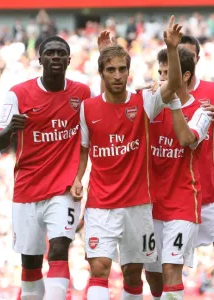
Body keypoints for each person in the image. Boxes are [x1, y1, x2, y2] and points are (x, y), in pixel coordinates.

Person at [70, 16, 183, 300]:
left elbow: (173, 86)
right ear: (102, 73)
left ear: (129, 72)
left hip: (138, 208)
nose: (117, 75)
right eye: (111, 70)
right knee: (99, 267)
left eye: (122, 69)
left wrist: (171, 49)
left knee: (133, 272)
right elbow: (84, 148)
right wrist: (77, 178)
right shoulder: (88, 109)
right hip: (100, 207)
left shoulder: (144, 102)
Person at [0, 36, 93, 300]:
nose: (56, 57)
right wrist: (11, 129)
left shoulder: (82, 94)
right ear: (40, 59)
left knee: (60, 248)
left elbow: (91, 136)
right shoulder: (18, 93)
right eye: (50, 53)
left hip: (64, 189)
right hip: (27, 189)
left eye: (62, 53)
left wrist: (82, 177)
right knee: (31, 262)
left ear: (69, 60)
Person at [144, 47, 212, 300]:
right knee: (153, 277)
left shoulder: (203, 111)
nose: (162, 78)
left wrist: (172, 103)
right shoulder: (150, 103)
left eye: (168, 73)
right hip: (149, 205)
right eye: (160, 72)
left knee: (172, 270)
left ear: (184, 77)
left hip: (183, 204)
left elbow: (186, 139)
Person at [178, 35, 214, 248]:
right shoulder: (160, 95)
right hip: (174, 196)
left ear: (198, 59)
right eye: (178, 54)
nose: (183, 59)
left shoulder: (211, 91)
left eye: (189, 55)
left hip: (209, 192)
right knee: (170, 263)